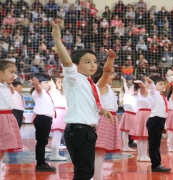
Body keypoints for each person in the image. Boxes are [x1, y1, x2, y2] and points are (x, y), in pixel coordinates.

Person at [51, 22, 113, 179]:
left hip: (87, 130)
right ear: (76, 65)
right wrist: (58, 41)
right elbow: (66, 63)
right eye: (87, 62)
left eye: (94, 61)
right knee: (84, 171)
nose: (92, 65)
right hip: (78, 130)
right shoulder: (74, 78)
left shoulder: (89, 82)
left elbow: (89, 103)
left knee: (86, 170)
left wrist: (102, 110)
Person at [91, 50, 122, 180]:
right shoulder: (100, 85)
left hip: (109, 118)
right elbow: (107, 71)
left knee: (100, 153)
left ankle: (96, 177)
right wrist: (111, 58)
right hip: (104, 119)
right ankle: (97, 178)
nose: (112, 75)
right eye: (111, 73)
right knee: (99, 152)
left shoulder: (107, 88)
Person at [0, 60, 23, 177]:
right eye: (10, 72)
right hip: (1, 117)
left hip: (7, 117)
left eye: (14, 72)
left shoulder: (6, 86)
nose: (13, 75)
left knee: (2, 147)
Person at [30, 73, 56, 172]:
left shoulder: (46, 93)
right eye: (46, 82)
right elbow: (38, 89)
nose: (48, 84)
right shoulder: (39, 92)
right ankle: (40, 163)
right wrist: (36, 84)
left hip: (46, 119)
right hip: (42, 118)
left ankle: (41, 162)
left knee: (43, 141)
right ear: (40, 83)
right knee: (41, 142)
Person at [146, 75, 171, 172]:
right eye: (160, 84)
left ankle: (157, 163)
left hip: (160, 120)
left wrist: (164, 125)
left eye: (163, 83)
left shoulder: (160, 94)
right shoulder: (153, 93)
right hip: (155, 120)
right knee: (154, 144)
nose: (162, 85)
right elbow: (152, 88)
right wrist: (150, 82)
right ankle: (156, 165)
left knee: (156, 144)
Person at [130, 78, 152, 161]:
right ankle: (143, 156)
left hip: (142, 113)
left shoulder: (142, 92)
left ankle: (140, 155)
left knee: (141, 137)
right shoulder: (143, 91)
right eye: (146, 83)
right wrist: (141, 83)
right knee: (144, 136)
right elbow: (143, 88)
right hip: (145, 114)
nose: (148, 84)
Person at [48, 77, 68, 161]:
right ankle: (54, 154)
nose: (61, 84)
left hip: (62, 113)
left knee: (58, 135)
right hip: (58, 113)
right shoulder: (53, 91)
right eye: (58, 82)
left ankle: (55, 154)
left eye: (61, 82)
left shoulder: (61, 93)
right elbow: (51, 84)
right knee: (57, 135)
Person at [119, 76, 138, 152]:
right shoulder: (127, 95)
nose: (134, 90)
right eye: (133, 89)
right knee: (126, 131)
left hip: (132, 115)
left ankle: (127, 145)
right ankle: (125, 146)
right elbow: (126, 88)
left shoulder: (133, 97)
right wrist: (124, 81)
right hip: (128, 114)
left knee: (128, 131)